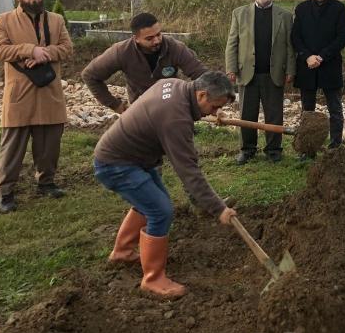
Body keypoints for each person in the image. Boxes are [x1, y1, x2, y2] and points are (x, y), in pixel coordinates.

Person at [93, 70, 238, 298]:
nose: (215, 112)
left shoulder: (175, 85)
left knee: (149, 204)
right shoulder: (176, 118)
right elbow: (189, 171)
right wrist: (218, 208)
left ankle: (122, 252)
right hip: (117, 164)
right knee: (160, 211)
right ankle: (153, 280)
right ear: (201, 95)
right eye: (214, 107)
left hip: (134, 158)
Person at [0, 0, 73, 214]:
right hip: (20, 95)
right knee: (12, 146)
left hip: (49, 92)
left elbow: (67, 48)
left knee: (49, 144)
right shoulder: (4, 21)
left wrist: (44, 53)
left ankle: (46, 183)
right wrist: (29, 51)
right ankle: (6, 193)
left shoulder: (56, 20)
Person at [224, 0, 295, 165]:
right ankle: (247, 150)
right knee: (247, 113)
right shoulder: (239, 13)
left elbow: (290, 46)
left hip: (274, 73)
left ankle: (273, 150)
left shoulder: (286, 16)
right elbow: (232, 43)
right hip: (247, 73)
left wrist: (290, 69)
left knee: (274, 114)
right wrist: (231, 68)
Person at [81, 11, 206, 113]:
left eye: (158, 34)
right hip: (139, 109)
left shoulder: (175, 48)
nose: (157, 41)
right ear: (136, 39)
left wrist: (208, 102)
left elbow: (202, 75)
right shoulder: (121, 52)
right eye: (149, 38)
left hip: (171, 105)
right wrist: (116, 105)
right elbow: (90, 75)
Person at [291, 0, 345, 150]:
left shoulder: (338, 8)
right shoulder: (301, 10)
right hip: (306, 65)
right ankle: (307, 148)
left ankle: (335, 145)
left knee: (335, 108)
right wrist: (307, 56)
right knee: (307, 110)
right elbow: (295, 37)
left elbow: (342, 37)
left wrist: (322, 56)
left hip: (330, 64)